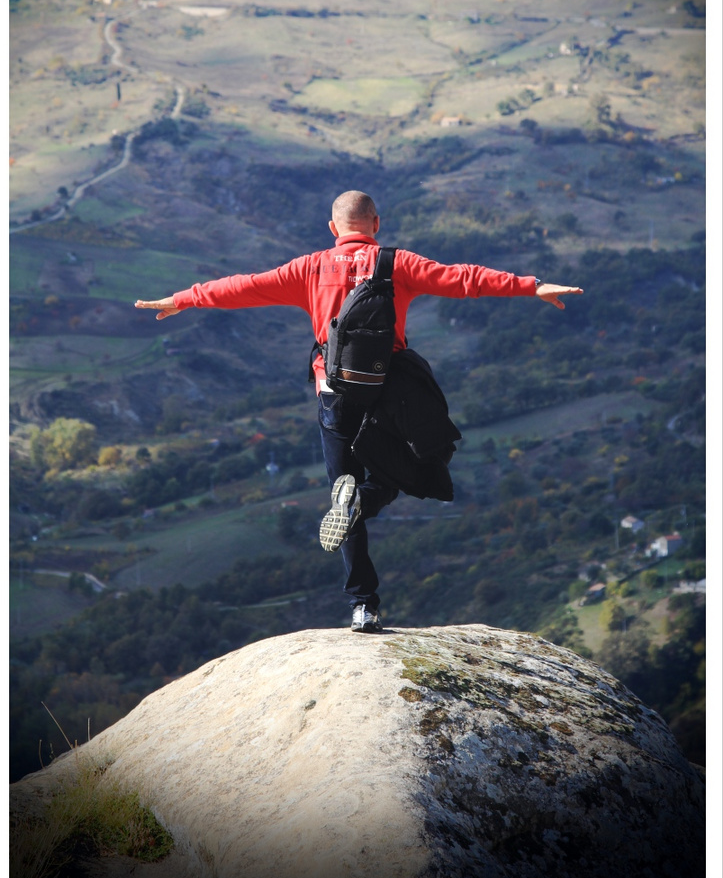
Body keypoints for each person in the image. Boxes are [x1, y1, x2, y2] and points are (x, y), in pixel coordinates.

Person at [135, 190, 582, 633]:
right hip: (386, 393)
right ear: (376, 225)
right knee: (392, 478)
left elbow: (243, 287)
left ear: (333, 230)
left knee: (339, 493)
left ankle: (363, 606)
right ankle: (364, 500)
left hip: (332, 394)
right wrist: (532, 286)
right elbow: (462, 278)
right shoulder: (397, 263)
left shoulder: (309, 268)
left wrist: (185, 297)